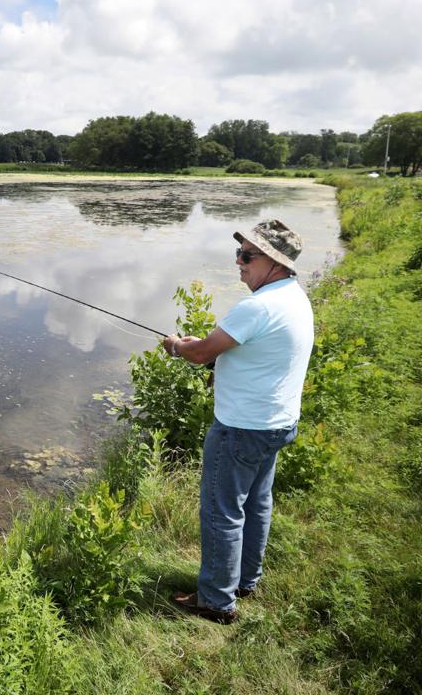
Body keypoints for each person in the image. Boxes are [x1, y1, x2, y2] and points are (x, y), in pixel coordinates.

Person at [161, 219, 314, 624]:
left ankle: (215, 601)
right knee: (257, 504)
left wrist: (178, 346)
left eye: (248, 256)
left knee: (221, 511)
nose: (240, 263)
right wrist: (209, 350)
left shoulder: (257, 306)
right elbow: (241, 350)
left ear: (275, 263)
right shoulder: (294, 297)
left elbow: (200, 353)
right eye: (238, 254)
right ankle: (246, 580)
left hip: (241, 428)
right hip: (276, 424)